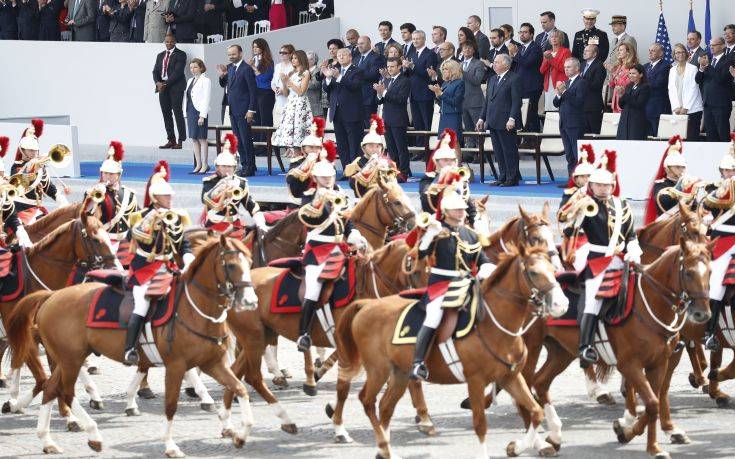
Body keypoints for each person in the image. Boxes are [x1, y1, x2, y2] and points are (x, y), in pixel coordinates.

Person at [409, 174, 494, 381]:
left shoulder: (470, 234)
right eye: (458, 210)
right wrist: (429, 234)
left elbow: (482, 258)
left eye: (464, 210)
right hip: (441, 284)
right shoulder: (437, 231)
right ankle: (418, 362)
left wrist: (487, 268)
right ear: (446, 212)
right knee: (434, 314)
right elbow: (420, 254)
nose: (463, 213)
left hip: (466, 282)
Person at [573, 150, 640, 365]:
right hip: (596, 261)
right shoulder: (584, 204)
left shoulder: (622, 206)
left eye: (606, 185)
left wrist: (634, 247)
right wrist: (576, 208)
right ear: (591, 186)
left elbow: (630, 233)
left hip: (621, 257)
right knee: (593, 300)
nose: (603, 189)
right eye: (598, 185)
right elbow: (568, 227)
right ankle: (586, 347)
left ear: (612, 186)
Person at [123, 161, 194, 366]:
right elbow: (130, 237)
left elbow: (184, 244)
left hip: (168, 269)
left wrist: (189, 260)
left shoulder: (175, 217)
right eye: (166, 196)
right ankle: (130, 349)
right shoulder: (141, 216)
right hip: (145, 270)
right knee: (142, 305)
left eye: (171, 195)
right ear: (155, 198)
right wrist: (150, 221)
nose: (170, 198)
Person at [295, 155, 367, 351]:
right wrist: (320, 200)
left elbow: (347, 220)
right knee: (313, 288)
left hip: (339, 248)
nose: (327, 180)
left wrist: (354, 234)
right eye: (323, 177)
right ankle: (304, 334)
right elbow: (308, 220)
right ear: (316, 178)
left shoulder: (340, 193)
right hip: (318, 249)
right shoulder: (309, 195)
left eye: (330, 177)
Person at [702, 137, 735, 351]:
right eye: (727, 171)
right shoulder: (713, 189)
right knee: (716, 286)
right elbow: (705, 206)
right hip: (722, 241)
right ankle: (709, 333)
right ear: (721, 172)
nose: (730, 174)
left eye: (732, 171)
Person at [201, 138, 267, 234]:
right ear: (218, 167)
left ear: (234, 168)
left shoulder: (241, 183)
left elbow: (251, 206)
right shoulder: (210, 182)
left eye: (229, 167)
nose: (227, 169)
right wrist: (220, 187)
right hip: (214, 226)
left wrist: (261, 223)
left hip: (234, 226)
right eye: (223, 166)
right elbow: (205, 200)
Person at [11, 119, 70, 224]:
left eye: (35, 150)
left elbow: (48, 187)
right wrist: (35, 167)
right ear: (22, 150)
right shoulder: (16, 167)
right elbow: (21, 183)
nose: (34, 153)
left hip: (36, 210)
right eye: (30, 150)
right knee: (18, 238)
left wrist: (62, 201)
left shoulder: (40, 167)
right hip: (20, 211)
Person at [476, 53, 522, 187]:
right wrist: (481, 117)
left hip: (506, 121)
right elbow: (487, 102)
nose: (493, 64)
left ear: (506, 64)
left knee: (509, 150)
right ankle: (502, 176)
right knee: (498, 151)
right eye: (494, 62)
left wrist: (512, 118)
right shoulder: (492, 79)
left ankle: (512, 177)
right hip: (493, 119)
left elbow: (516, 101)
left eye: (497, 62)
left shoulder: (514, 79)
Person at [85, 141, 139, 252]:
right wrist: (94, 200)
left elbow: (136, 221)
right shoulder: (92, 193)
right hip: (102, 243)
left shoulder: (129, 194)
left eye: (111, 174)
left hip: (124, 245)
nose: (108, 176)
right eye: (105, 173)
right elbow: (86, 219)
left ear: (119, 174)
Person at [420, 130, 477, 224]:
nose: (449, 163)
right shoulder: (428, 178)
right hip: (434, 219)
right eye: (445, 160)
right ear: (436, 162)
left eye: (452, 160)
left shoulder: (459, 178)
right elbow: (425, 201)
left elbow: (468, 201)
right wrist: (440, 180)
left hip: (458, 219)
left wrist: (474, 220)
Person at [323, 47, 363, 177]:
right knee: (342, 144)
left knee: (354, 144)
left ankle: (355, 171)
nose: (340, 57)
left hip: (352, 113)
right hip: (337, 112)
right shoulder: (335, 71)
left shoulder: (357, 71)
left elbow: (354, 86)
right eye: (338, 55)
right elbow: (327, 89)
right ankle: (346, 171)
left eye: (343, 55)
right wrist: (328, 78)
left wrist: (338, 76)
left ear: (350, 57)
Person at [218, 44, 258, 176]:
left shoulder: (246, 69)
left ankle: (250, 167)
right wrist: (222, 76)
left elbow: (253, 91)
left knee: (246, 139)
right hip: (233, 110)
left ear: (240, 54)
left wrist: (251, 110)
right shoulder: (229, 68)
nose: (230, 57)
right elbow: (224, 84)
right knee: (238, 140)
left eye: (233, 54)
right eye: (229, 54)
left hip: (244, 110)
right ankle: (245, 164)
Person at [556, 144, 595, 272]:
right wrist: (577, 202)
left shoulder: (602, 195)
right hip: (577, 236)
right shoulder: (570, 194)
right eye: (583, 176)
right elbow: (561, 217)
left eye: (589, 176)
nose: (587, 179)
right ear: (576, 179)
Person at [272, 50, 314, 157]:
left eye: (295, 58)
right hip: (290, 103)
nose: (293, 60)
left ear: (301, 59)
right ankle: (295, 160)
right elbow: (286, 93)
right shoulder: (292, 73)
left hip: (300, 105)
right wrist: (283, 81)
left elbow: (301, 91)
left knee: (299, 133)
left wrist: (288, 82)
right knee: (292, 135)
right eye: (293, 58)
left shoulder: (305, 73)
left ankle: (300, 160)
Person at [403, 29, 438, 159]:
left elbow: (428, 74)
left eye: (417, 38)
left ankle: (428, 150)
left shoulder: (430, 54)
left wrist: (412, 67)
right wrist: (405, 68)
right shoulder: (411, 53)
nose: (415, 41)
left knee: (426, 122)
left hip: (425, 93)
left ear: (423, 39)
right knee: (417, 123)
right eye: (413, 39)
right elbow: (407, 74)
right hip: (413, 93)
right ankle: (419, 150)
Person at [344, 115, 398, 196]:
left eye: (378, 146)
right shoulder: (357, 163)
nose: (375, 149)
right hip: (363, 199)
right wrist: (368, 167)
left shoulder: (388, 163)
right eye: (371, 146)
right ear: (364, 147)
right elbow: (353, 184)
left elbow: (394, 185)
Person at [376, 57, 410, 180]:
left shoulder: (404, 81)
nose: (390, 69)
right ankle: (394, 171)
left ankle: (404, 173)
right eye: (388, 67)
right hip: (387, 118)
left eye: (392, 66)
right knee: (391, 148)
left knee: (401, 148)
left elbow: (401, 99)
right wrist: (380, 94)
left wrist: (384, 92)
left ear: (399, 67)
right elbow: (380, 101)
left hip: (398, 119)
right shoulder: (387, 80)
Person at [553, 57, 588, 179]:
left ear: (577, 68)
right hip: (564, 122)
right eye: (565, 67)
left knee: (576, 153)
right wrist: (558, 94)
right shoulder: (566, 83)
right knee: (569, 154)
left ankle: (579, 180)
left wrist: (564, 92)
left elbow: (578, 102)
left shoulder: (582, 82)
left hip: (575, 123)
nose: (566, 70)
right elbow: (556, 103)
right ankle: (571, 180)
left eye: (569, 67)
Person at [695, 37, 734, 142]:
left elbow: (720, 79)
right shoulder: (710, 61)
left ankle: (727, 158)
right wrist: (701, 69)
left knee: (722, 134)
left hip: (721, 104)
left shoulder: (729, 60)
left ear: (722, 46)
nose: (711, 47)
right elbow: (698, 80)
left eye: (714, 45)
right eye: (710, 45)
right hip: (708, 104)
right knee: (711, 136)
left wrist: (707, 66)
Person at [643, 136, 687, 225]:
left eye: (683, 167)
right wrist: (679, 186)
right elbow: (663, 201)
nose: (681, 170)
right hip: (666, 224)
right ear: (667, 169)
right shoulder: (660, 184)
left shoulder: (688, 183)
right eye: (677, 167)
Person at [153, 34, 187, 150]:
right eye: (167, 42)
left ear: (175, 42)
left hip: (176, 87)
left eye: (171, 41)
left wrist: (165, 84)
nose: (169, 43)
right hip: (162, 88)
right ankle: (171, 140)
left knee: (178, 113)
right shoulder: (160, 55)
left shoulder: (181, 54)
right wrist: (158, 83)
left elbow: (178, 72)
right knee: (166, 113)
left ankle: (181, 140)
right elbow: (155, 71)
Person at [511, 23, 543, 133]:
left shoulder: (536, 48)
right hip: (521, 87)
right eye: (520, 32)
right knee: (522, 114)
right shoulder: (520, 48)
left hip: (532, 86)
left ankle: (534, 140)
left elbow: (527, 63)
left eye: (525, 32)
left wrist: (515, 54)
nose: (522, 34)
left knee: (531, 114)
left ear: (532, 34)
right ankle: (525, 138)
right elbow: (516, 67)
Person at [669, 43, 704, 141]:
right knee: (679, 140)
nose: (680, 54)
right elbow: (671, 90)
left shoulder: (693, 68)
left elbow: (694, 89)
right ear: (674, 55)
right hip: (678, 110)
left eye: (682, 52)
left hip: (692, 109)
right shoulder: (672, 70)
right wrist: (676, 107)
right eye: (677, 52)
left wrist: (686, 107)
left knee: (692, 138)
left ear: (686, 53)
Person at [184, 58, 211, 174]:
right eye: (191, 67)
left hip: (199, 112)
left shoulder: (206, 80)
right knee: (194, 139)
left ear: (201, 68)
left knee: (202, 138)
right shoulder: (190, 80)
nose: (193, 69)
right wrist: (185, 112)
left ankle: (205, 165)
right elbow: (187, 97)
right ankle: (198, 164)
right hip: (190, 110)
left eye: (195, 67)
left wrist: (202, 115)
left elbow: (206, 99)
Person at [249, 38, 275, 155]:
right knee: (255, 119)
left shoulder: (269, 61)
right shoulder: (253, 60)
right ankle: (257, 145)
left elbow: (264, 78)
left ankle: (265, 147)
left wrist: (254, 67)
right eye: (253, 46)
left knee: (265, 119)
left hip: (266, 92)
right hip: (255, 92)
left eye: (257, 47)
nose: (254, 49)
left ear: (263, 48)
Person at [431, 59, 464, 144]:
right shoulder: (445, 83)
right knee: (445, 143)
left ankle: (458, 158)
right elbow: (441, 102)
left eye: (446, 69)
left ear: (453, 70)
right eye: (443, 69)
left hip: (453, 116)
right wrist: (437, 94)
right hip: (444, 115)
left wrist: (441, 94)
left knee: (454, 143)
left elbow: (455, 101)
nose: (443, 71)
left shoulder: (459, 83)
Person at [461, 42, 487, 152]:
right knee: (468, 129)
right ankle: (470, 152)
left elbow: (477, 80)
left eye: (469, 48)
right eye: (464, 48)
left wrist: (463, 72)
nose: (466, 50)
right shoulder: (459, 63)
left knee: (479, 128)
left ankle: (482, 153)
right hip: (462, 101)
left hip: (475, 101)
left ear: (473, 51)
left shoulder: (478, 64)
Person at [355, 35, 385, 127]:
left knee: (370, 126)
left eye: (362, 43)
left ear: (369, 43)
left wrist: (355, 73)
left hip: (369, 98)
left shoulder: (377, 57)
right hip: (356, 98)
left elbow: (373, 74)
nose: (359, 46)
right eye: (358, 44)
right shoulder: (356, 58)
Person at [616, 64, 651, 140]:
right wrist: (621, 95)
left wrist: (625, 95)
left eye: (634, 73)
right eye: (630, 73)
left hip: (636, 122)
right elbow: (622, 105)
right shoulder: (629, 86)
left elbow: (639, 104)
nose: (631, 75)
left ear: (641, 74)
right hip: (625, 120)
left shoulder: (645, 87)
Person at [539, 30, 570, 112]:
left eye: (556, 37)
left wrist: (551, 59)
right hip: (548, 84)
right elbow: (541, 70)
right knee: (549, 110)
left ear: (561, 39)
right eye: (552, 37)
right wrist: (546, 59)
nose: (554, 39)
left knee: (559, 108)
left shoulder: (565, 51)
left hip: (559, 83)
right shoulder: (548, 52)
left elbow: (565, 69)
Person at [644, 43, 671, 136]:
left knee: (656, 136)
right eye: (649, 50)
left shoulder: (666, 66)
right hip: (645, 107)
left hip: (657, 108)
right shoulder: (645, 66)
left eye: (653, 51)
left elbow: (659, 83)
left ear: (660, 53)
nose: (650, 52)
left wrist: (643, 84)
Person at [580, 44, 605, 134]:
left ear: (594, 54)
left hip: (593, 105)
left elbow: (597, 85)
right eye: (584, 50)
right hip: (582, 105)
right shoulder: (582, 64)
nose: (584, 52)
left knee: (594, 133)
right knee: (584, 134)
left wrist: (582, 80)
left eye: (587, 51)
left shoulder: (599, 66)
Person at [315, 38, 343, 118]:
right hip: (325, 96)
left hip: (336, 94)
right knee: (324, 121)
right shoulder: (328, 61)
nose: (332, 51)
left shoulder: (342, 62)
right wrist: (323, 68)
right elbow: (319, 78)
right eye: (330, 49)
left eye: (334, 48)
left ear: (340, 49)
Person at [608, 42, 638, 113]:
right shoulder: (618, 66)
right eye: (618, 50)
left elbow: (628, 85)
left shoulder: (633, 67)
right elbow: (612, 85)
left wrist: (614, 73)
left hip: (625, 100)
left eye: (621, 50)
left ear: (628, 52)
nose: (618, 52)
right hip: (615, 101)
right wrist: (611, 73)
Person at [272, 44, 295, 126]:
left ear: (291, 54)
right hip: (278, 99)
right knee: (277, 125)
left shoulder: (293, 67)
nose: (281, 54)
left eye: (284, 53)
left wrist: (283, 89)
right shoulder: (277, 66)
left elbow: (293, 83)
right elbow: (273, 82)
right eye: (280, 52)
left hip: (289, 100)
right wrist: (275, 88)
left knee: (288, 125)